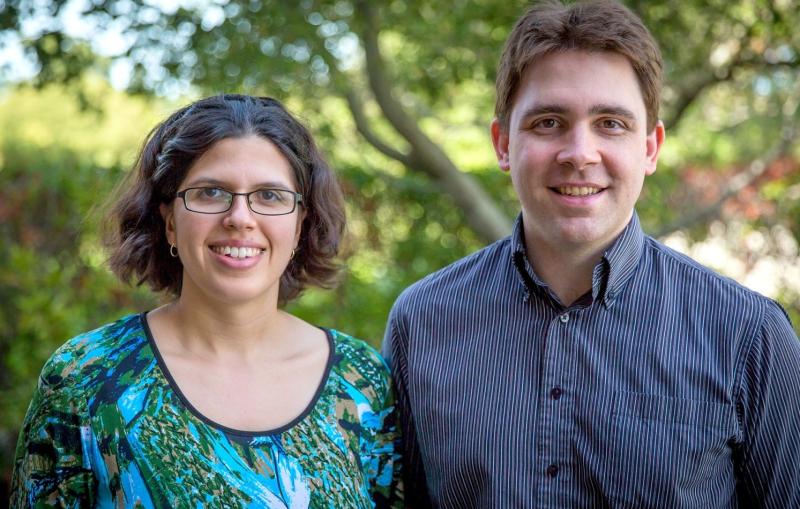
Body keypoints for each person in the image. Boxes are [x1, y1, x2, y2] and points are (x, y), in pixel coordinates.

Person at [382, 1, 800, 507]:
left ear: (650, 148)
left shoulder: (748, 336)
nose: (579, 153)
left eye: (610, 124)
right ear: (502, 144)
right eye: (548, 122)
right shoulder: (422, 322)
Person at [11, 94, 402, 508]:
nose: (240, 217)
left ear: (301, 224)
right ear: (169, 222)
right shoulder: (85, 378)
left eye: (270, 195)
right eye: (211, 192)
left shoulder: (361, 382)